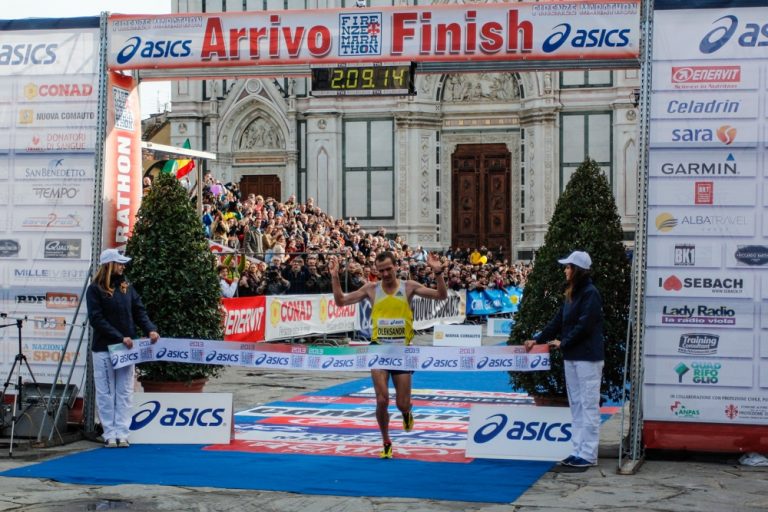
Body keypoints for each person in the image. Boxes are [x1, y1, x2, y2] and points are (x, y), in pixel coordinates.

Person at [329, 250, 447, 459]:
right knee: (382, 400)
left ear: (396, 266)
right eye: (381, 270)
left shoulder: (408, 286)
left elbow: (441, 296)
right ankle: (386, 441)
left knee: (402, 403)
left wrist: (438, 274)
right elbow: (341, 302)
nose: (385, 274)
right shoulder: (371, 289)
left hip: (402, 352)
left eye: (388, 269)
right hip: (379, 351)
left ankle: (406, 412)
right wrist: (335, 277)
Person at [524, 250, 604, 469]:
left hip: (587, 357)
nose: (565, 270)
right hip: (573, 357)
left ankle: (588, 453)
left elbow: (585, 325)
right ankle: (578, 449)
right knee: (577, 405)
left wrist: (564, 343)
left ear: (577, 270)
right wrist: (538, 339)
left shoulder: (590, 293)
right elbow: (558, 321)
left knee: (588, 405)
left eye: (568, 267)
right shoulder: (573, 294)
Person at [86, 248, 159, 448]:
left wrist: (150, 329)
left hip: (127, 349)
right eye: (119, 263)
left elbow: (138, 310)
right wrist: (120, 337)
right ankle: (109, 433)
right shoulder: (95, 289)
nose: (123, 266)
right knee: (106, 393)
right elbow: (96, 319)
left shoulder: (127, 286)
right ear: (109, 265)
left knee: (125, 391)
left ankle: (123, 433)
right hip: (104, 348)